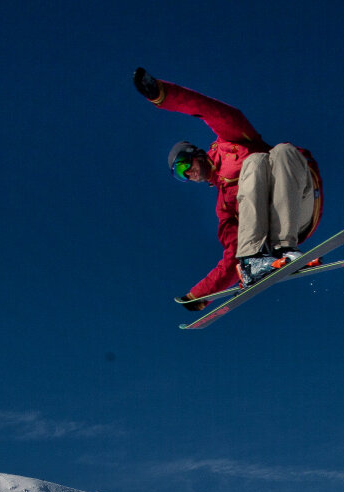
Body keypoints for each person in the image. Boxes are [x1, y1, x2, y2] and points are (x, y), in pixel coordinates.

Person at [134, 68, 322, 310]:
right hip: (269, 235)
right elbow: (231, 254)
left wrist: (163, 94)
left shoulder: (233, 142)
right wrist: (199, 295)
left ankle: (285, 248)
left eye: (184, 164)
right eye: (180, 176)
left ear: (196, 153)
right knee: (253, 168)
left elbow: (213, 111)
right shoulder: (224, 206)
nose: (187, 174)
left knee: (275, 154)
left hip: (301, 202)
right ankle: (255, 261)